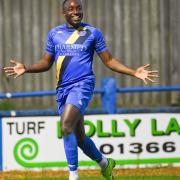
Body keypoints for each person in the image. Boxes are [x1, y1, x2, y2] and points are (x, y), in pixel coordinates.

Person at [3, 0, 158, 179]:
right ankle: (105, 164)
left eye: (79, 8)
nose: (76, 12)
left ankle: (73, 175)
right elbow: (46, 62)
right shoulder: (55, 33)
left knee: (66, 125)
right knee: (79, 137)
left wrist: (134, 72)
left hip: (83, 85)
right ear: (64, 13)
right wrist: (26, 68)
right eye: (71, 9)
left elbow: (109, 61)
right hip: (62, 88)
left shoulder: (93, 33)